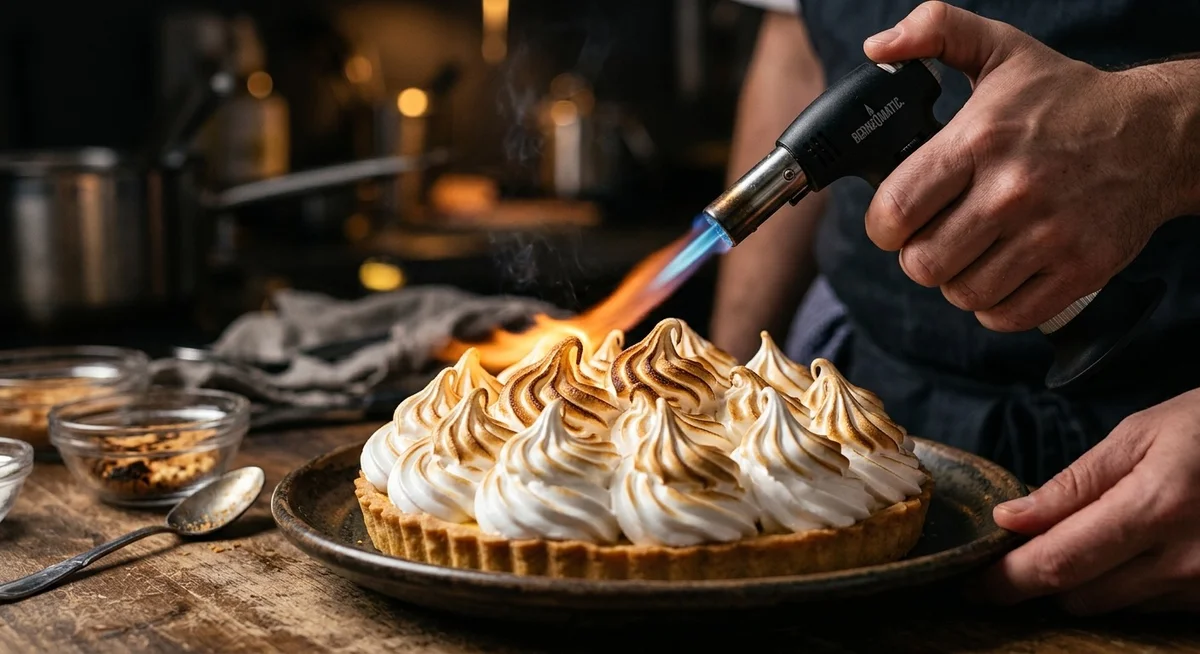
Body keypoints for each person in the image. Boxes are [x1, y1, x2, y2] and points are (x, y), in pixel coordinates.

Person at [714, 1, 1200, 614]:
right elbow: (795, 47)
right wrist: (722, 383)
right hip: (865, 411)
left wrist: (1165, 124)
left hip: (1174, 420)